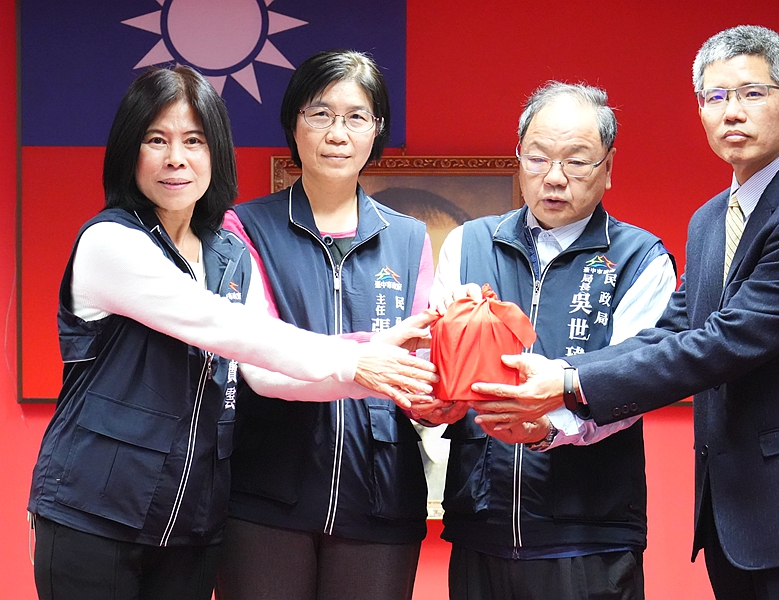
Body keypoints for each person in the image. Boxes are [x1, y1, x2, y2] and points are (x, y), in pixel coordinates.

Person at [470, 26, 779, 600]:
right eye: (716, 97)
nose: (732, 112)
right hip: (735, 521)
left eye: (752, 93)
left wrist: (568, 380)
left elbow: (724, 342)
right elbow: (671, 331)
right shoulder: (712, 220)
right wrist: (566, 383)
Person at [26, 65, 437, 600]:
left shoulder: (228, 253)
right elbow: (224, 327)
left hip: (188, 523)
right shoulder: (110, 242)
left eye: (194, 141)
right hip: (95, 511)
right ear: (129, 151)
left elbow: (264, 371)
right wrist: (356, 358)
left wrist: (373, 361)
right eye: (156, 140)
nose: (177, 158)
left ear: (216, 151)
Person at [427, 82, 676, 600]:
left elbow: (637, 382)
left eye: (577, 162)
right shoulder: (467, 244)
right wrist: (431, 400)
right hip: (481, 524)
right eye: (538, 158)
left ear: (608, 166)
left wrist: (548, 428)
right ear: (519, 157)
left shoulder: (641, 260)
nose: (555, 177)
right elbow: (436, 367)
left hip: (589, 532)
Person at [215, 50, 436, 600]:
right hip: (266, 493)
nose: (338, 133)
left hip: (381, 495)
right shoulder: (245, 227)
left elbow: (422, 365)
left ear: (377, 130)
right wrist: (369, 356)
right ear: (294, 123)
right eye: (320, 114)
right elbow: (256, 356)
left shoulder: (410, 238)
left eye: (356, 117)